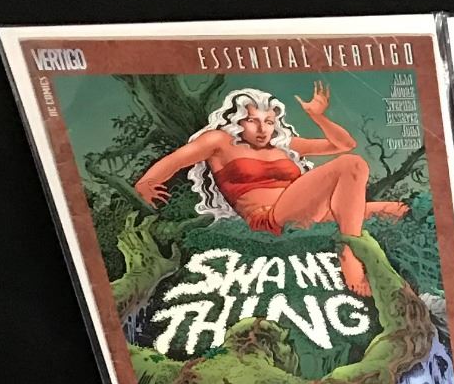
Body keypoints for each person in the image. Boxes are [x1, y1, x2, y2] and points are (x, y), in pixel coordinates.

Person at [133, 83, 409, 298]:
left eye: (268, 121)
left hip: (306, 213)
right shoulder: (219, 142)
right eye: (253, 121)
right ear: (237, 120)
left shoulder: (283, 145)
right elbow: (173, 162)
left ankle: (393, 271)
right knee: (352, 165)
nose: (262, 129)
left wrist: (317, 116)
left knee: (396, 210)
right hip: (268, 219)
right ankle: (350, 253)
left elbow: (343, 144)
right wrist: (145, 185)